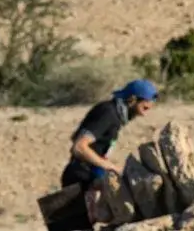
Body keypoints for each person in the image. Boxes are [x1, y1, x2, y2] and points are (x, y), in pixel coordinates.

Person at [58, 79, 158, 228]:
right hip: (78, 177)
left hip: (87, 177)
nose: (149, 108)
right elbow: (79, 146)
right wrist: (110, 167)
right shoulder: (108, 113)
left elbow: (78, 137)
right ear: (132, 100)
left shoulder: (114, 115)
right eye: (146, 104)